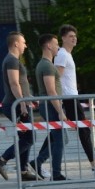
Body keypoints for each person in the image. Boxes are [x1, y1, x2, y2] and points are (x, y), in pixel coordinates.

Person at [54, 24, 95, 176]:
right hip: (69, 98)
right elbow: (57, 78)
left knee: (61, 133)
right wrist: (59, 101)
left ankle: (37, 162)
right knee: (84, 129)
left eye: (75, 36)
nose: (74, 38)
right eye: (70, 36)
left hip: (72, 97)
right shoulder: (62, 54)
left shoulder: (67, 54)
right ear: (63, 38)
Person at [0, 31, 38, 181]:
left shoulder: (14, 60)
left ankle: (23, 171)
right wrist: (22, 104)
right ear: (16, 43)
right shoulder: (11, 60)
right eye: (23, 42)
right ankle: (2, 160)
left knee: (25, 137)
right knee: (29, 139)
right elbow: (13, 83)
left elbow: (21, 84)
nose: (25, 45)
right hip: (15, 105)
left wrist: (29, 97)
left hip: (18, 103)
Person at [29, 33, 68, 181]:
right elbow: (51, 91)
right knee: (60, 140)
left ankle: (37, 162)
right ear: (48, 46)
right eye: (56, 43)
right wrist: (60, 111)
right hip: (51, 106)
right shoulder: (47, 65)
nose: (58, 46)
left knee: (56, 138)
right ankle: (56, 173)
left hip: (49, 106)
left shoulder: (44, 64)